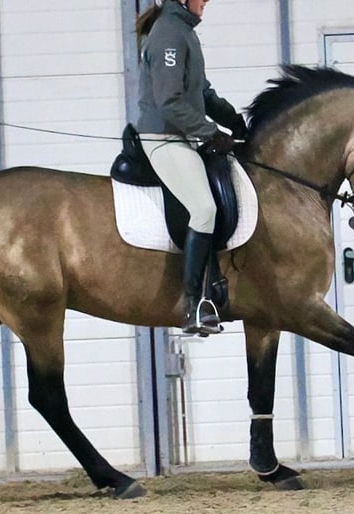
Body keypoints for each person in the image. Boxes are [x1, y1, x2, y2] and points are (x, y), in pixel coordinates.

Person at [135, 0, 248, 335]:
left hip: (184, 137)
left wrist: (235, 121)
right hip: (164, 138)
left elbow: (203, 93)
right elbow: (169, 100)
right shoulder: (169, 32)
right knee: (203, 208)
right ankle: (193, 305)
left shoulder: (183, 30)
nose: (206, 1)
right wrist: (210, 132)